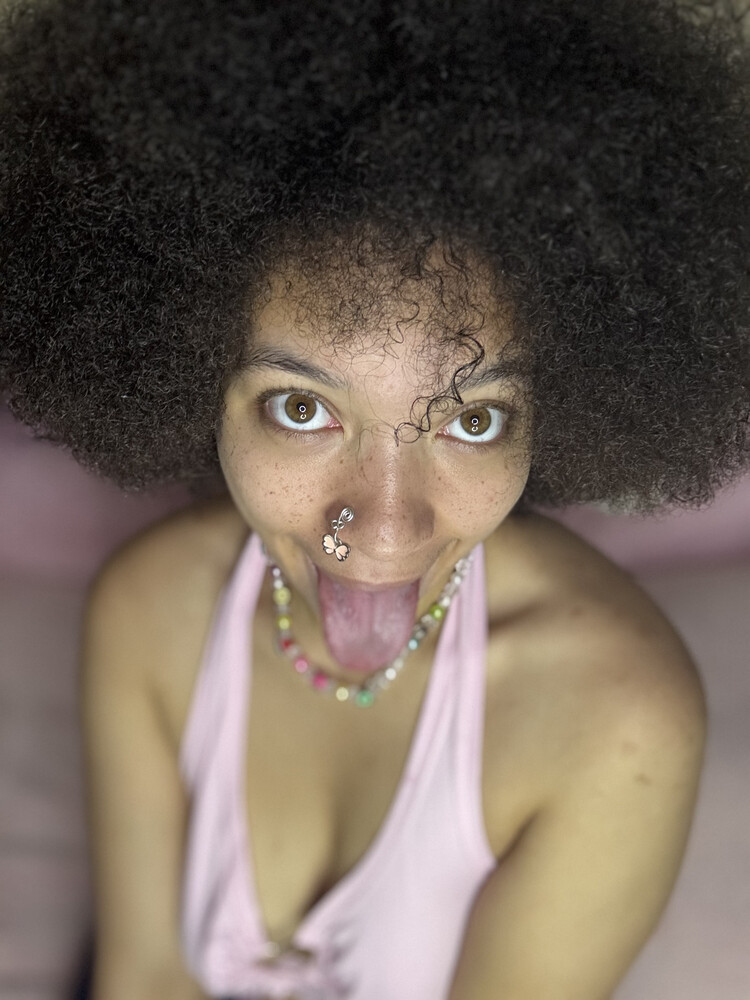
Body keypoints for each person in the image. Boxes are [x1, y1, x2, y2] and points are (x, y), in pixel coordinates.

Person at [1, 1, 748, 998]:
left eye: (472, 419)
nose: (387, 526)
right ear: (196, 380)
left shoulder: (619, 716)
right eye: (302, 407)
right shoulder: (150, 607)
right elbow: (140, 976)